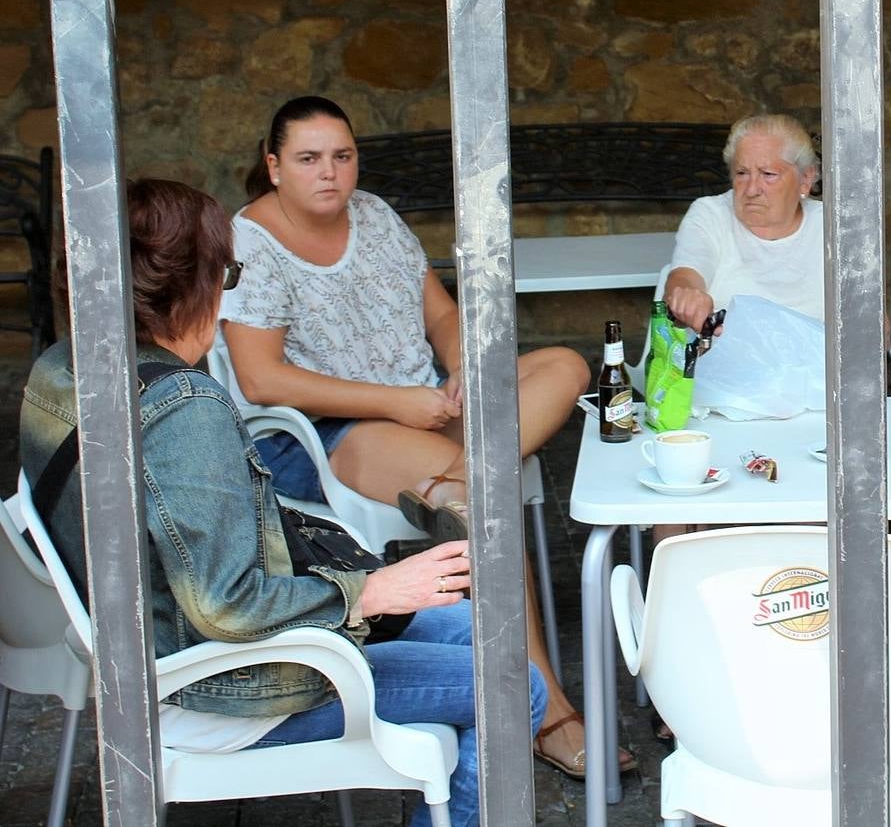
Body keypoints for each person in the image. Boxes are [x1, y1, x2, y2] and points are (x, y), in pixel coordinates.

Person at [19, 179, 545, 827]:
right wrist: (370, 591)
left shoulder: (61, 369)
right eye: (226, 271)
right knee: (517, 686)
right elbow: (225, 603)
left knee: (473, 631)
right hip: (220, 689)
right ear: (200, 284)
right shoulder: (184, 407)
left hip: (150, 654)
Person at [219, 96, 623, 778]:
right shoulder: (250, 241)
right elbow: (260, 380)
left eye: (342, 157)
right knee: (490, 505)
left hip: (427, 405)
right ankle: (546, 712)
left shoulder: (373, 214)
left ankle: (456, 481)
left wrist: (464, 367)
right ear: (274, 165)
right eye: (309, 159)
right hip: (331, 430)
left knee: (566, 366)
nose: (330, 173)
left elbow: (440, 314)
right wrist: (396, 404)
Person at [663, 113, 823, 330]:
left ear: (805, 179)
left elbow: (874, 322)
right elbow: (686, 275)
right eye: (741, 173)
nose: (751, 189)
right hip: (728, 359)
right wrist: (686, 296)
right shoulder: (711, 214)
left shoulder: (831, 226)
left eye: (768, 174)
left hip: (817, 362)